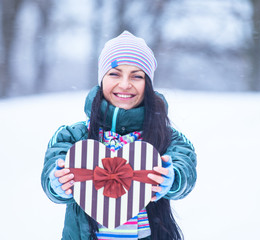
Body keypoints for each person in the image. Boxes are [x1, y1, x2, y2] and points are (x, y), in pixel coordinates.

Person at [41, 31, 197, 240]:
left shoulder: (168, 137)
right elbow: (52, 170)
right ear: (102, 79)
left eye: (137, 75)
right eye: (114, 74)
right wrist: (57, 183)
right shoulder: (73, 136)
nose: (125, 84)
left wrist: (172, 179)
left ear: (148, 84)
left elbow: (184, 167)